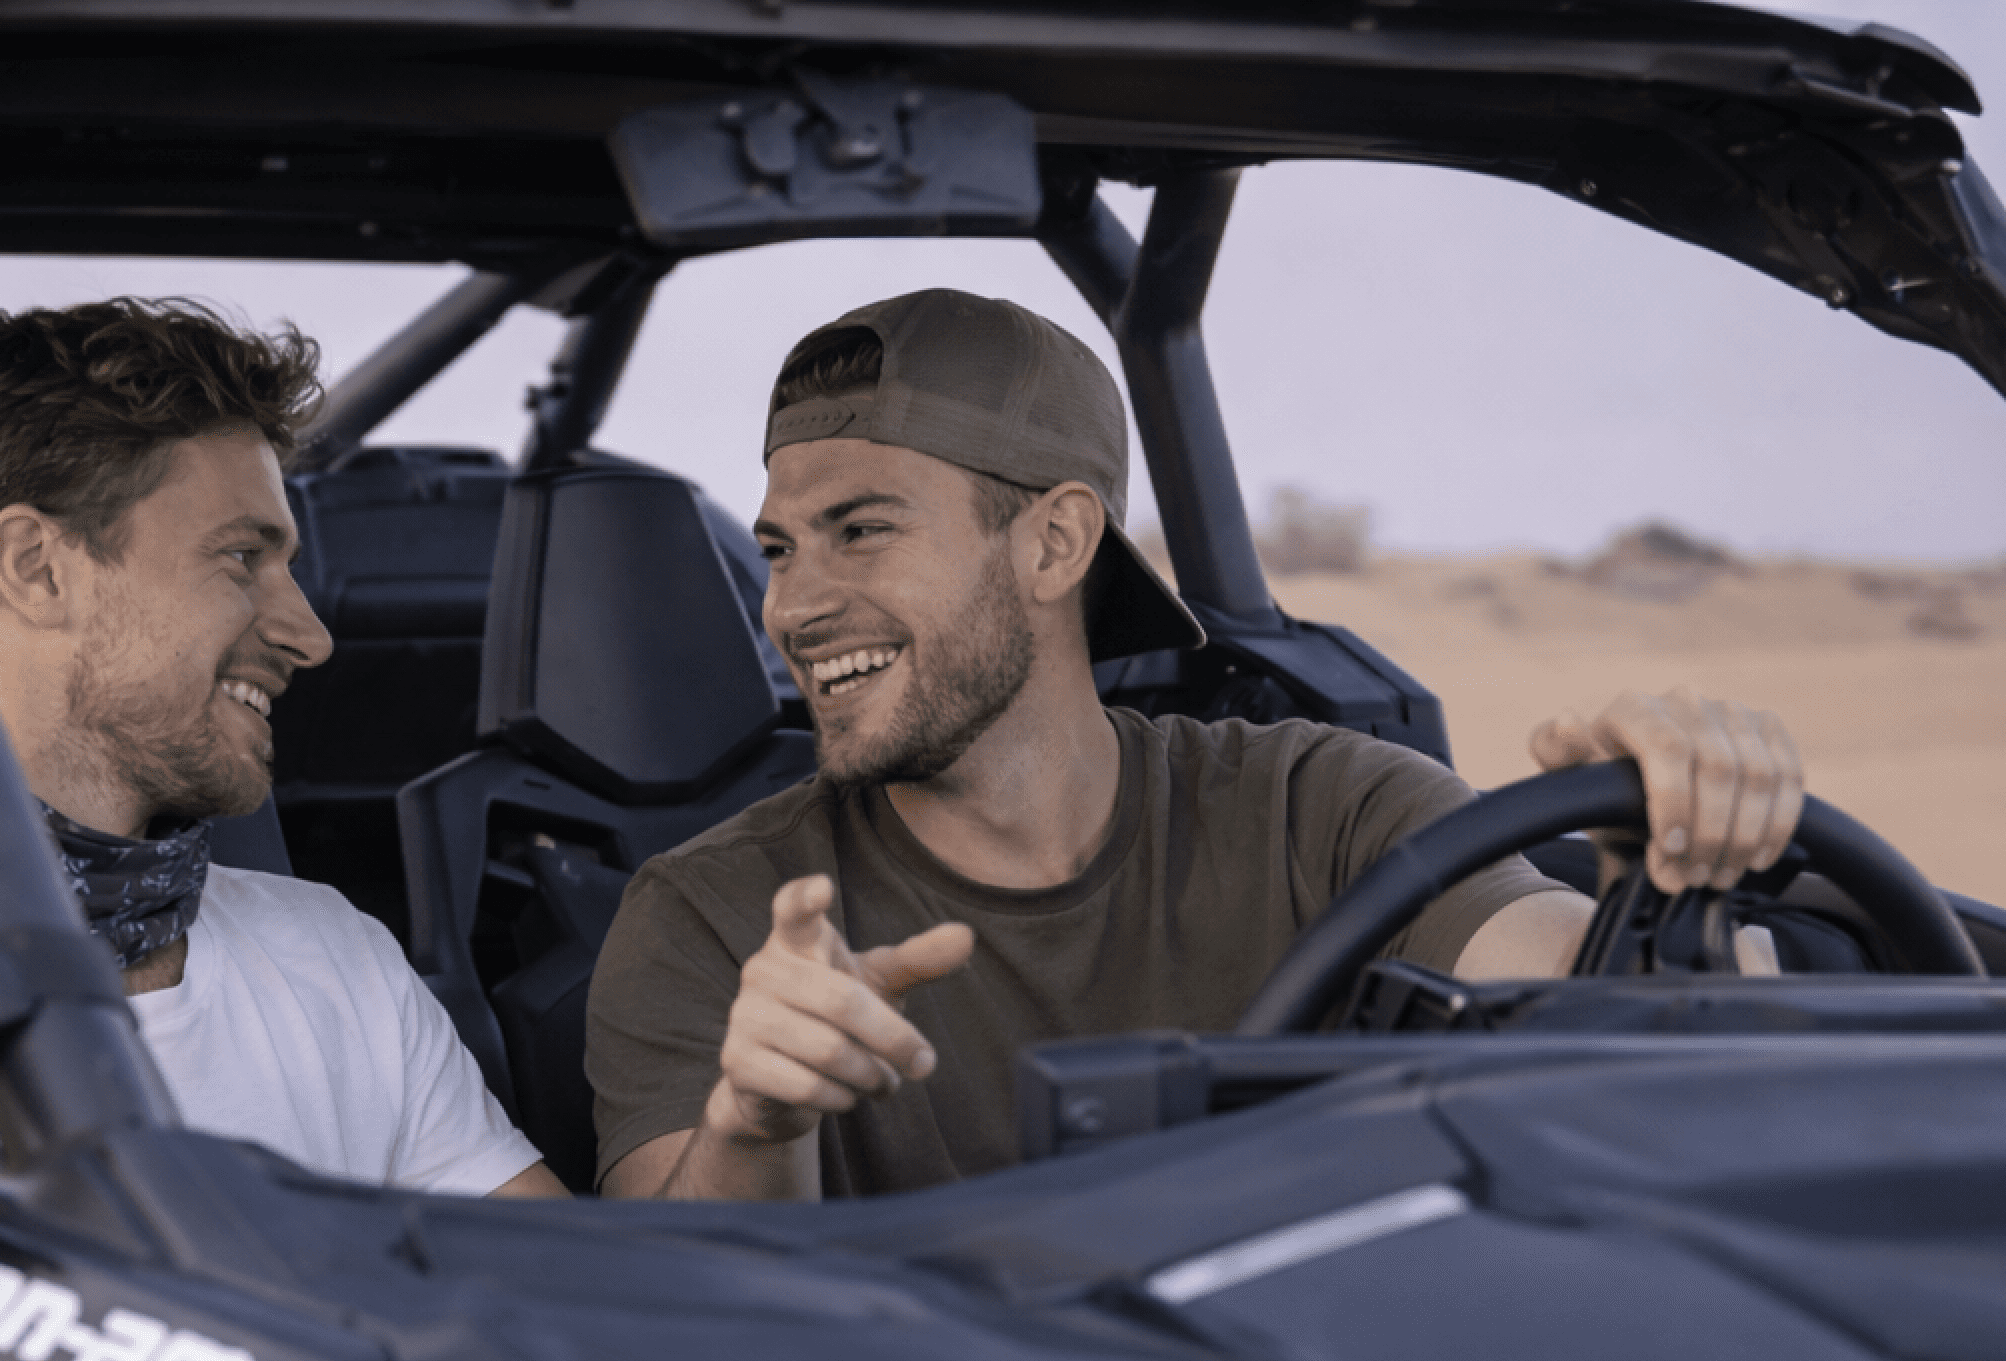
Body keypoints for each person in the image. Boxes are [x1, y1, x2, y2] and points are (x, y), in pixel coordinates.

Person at [588, 289, 1802, 1202]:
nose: (790, 607)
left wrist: (1677, 870)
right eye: (780, 547)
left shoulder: (1319, 807)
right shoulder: (716, 913)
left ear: (1056, 544)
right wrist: (757, 1121)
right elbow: (658, 1315)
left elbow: (1605, 1017)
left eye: (859, 529)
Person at [0, 298, 562, 1205]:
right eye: (240, 559)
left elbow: (565, 1301)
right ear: (37, 567)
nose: (311, 636)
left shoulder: (334, 955)